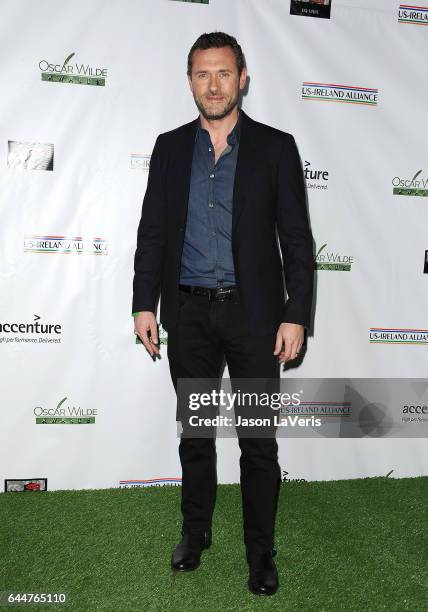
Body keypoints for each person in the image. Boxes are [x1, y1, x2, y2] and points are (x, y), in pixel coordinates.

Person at [132, 31, 314, 596]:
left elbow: (297, 242)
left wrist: (296, 314)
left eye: (224, 73)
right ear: (190, 81)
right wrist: (144, 302)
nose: (213, 85)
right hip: (187, 316)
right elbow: (153, 232)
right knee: (197, 436)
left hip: (255, 319)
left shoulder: (276, 147)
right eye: (202, 74)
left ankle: (261, 553)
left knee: (258, 442)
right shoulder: (168, 148)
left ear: (242, 80)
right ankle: (196, 534)